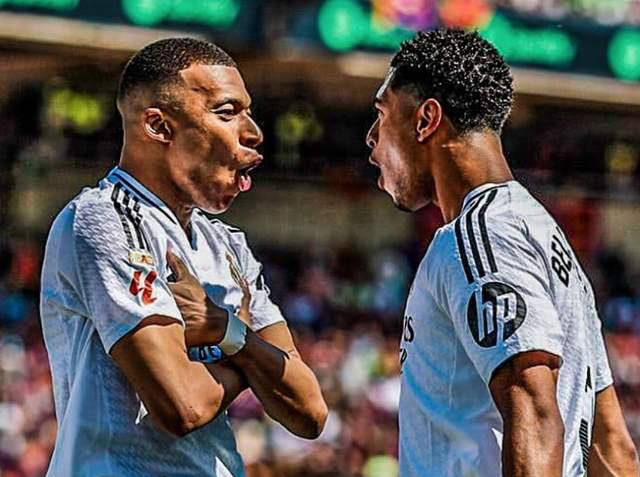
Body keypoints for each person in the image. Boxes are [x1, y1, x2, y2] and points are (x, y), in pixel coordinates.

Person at [40, 37, 327, 476]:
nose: (253, 132)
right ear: (158, 126)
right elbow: (182, 407)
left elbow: (309, 410)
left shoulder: (228, 245)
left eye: (248, 113)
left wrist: (227, 332)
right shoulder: (103, 219)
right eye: (227, 112)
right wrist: (248, 356)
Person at [366, 28, 639, 477]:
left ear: (426, 119)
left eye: (381, 114)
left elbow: (534, 411)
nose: (371, 138)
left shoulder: (480, 235)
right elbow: (613, 450)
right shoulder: (544, 237)